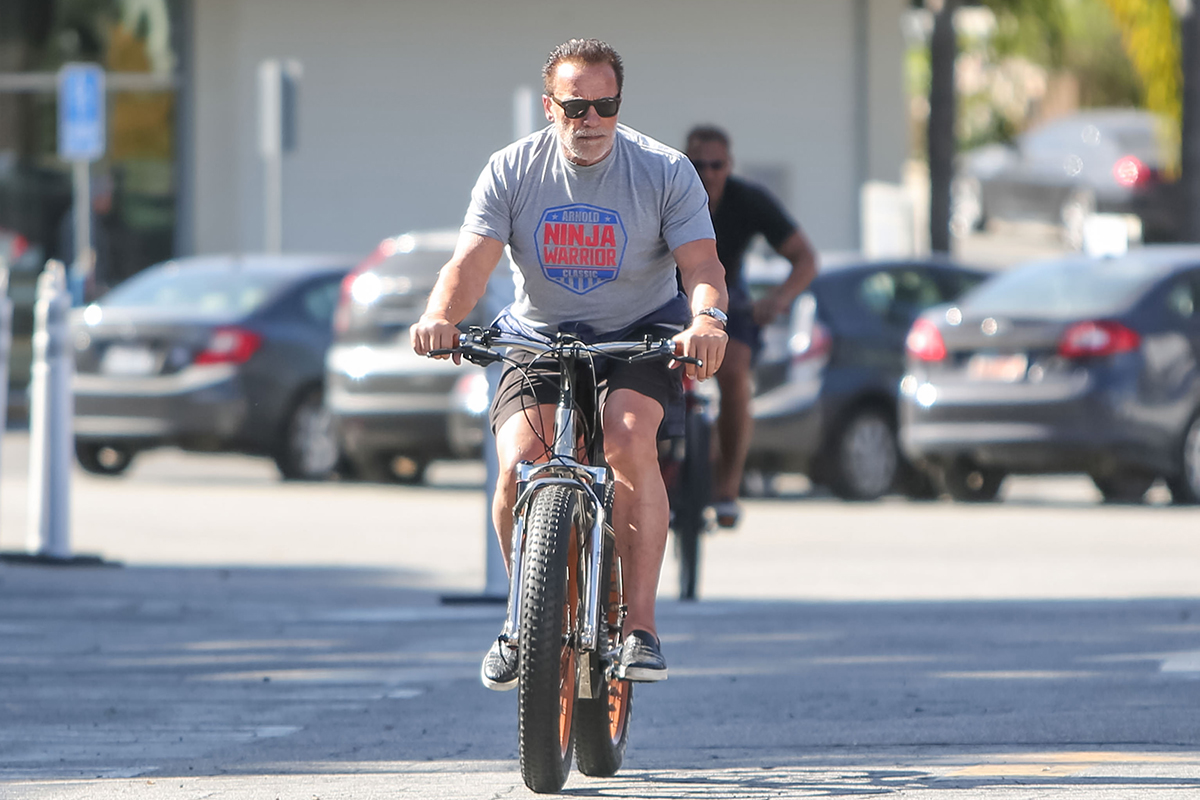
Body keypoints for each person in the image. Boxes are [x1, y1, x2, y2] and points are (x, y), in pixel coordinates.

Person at [411, 40, 728, 690]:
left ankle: (640, 627)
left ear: (618, 105)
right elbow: (471, 262)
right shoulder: (513, 169)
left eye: (603, 105)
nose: (590, 120)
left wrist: (707, 321)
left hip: (638, 334)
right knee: (517, 463)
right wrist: (441, 315)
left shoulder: (664, 171)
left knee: (629, 437)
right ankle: (523, 618)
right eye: (575, 106)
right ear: (549, 106)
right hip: (539, 336)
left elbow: (701, 266)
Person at [684, 125, 817, 527]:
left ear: (730, 166)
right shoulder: (668, 193)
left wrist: (778, 300)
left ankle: (727, 488)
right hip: (669, 295)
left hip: (728, 300)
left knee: (736, 372)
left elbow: (804, 258)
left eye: (716, 165)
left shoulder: (749, 200)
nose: (707, 173)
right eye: (697, 164)